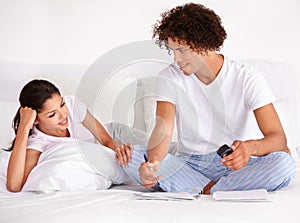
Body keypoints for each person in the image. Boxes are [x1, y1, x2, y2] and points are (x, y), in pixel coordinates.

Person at [124, 2, 296, 194]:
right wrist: (153, 164)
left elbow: (278, 140)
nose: (176, 59)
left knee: (284, 164)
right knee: (131, 157)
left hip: (238, 164)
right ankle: (219, 190)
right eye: (173, 51)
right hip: (191, 164)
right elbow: (163, 132)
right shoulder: (169, 77)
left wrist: (249, 148)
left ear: (204, 45)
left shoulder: (247, 78)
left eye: (181, 50)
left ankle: (200, 188)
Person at [6, 79, 132, 192]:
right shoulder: (38, 143)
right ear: (35, 119)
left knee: (150, 152)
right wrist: (24, 126)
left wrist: (120, 150)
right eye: (52, 114)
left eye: (62, 104)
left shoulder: (72, 105)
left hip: (115, 132)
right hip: (102, 149)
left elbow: (106, 140)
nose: (63, 115)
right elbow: (14, 186)